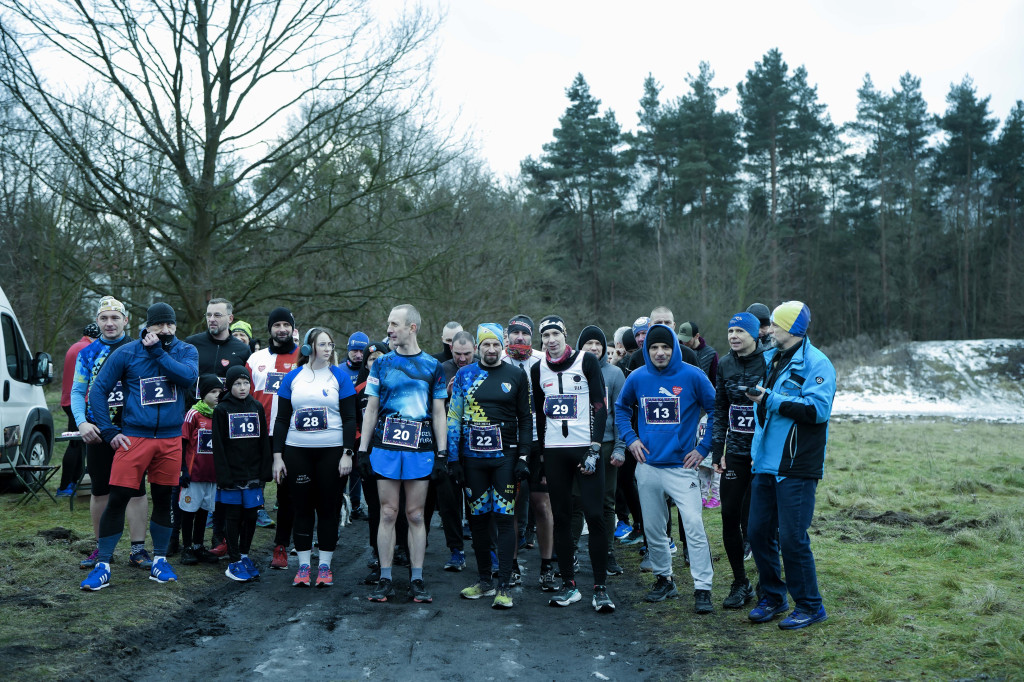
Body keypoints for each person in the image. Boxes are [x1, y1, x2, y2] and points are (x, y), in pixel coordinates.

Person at [80, 302, 199, 590]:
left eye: (170, 324)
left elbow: (187, 378)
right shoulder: (128, 352)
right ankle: (103, 565)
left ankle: (159, 560)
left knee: (162, 499)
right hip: (135, 437)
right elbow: (97, 391)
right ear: (148, 326)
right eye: (159, 325)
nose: (166, 330)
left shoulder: (186, 351)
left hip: (170, 440)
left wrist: (158, 352)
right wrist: (108, 432)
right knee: (118, 498)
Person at [614, 323, 716, 614]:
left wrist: (703, 448)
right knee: (654, 528)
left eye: (665, 347)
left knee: (694, 526)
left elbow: (716, 410)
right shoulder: (637, 377)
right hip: (648, 466)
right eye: (654, 348)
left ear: (674, 348)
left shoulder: (693, 375)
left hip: (683, 468)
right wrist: (631, 439)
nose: (659, 352)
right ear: (646, 350)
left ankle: (703, 588)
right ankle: (664, 580)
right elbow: (621, 409)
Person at [746, 301, 835, 630]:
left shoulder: (817, 363)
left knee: (792, 539)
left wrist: (770, 399)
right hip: (766, 462)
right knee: (757, 533)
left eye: (776, 325)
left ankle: (811, 606)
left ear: (791, 329)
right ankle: (773, 596)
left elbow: (817, 411)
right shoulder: (772, 358)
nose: (769, 330)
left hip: (797, 465)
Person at [359, 304, 448, 604]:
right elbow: (371, 409)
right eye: (388, 324)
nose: (389, 329)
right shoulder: (381, 365)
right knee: (387, 512)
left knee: (415, 515)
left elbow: (439, 413)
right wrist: (362, 450)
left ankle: (417, 578)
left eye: (394, 324)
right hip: (385, 446)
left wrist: (442, 453)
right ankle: (385, 579)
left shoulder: (433, 366)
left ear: (412, 327)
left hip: (420, 447)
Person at [531, 315, 614, 613]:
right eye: (546, 335)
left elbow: (600, 407)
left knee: (595, 515)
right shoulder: (538, 368)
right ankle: (569, 585)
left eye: (556, 334)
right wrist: (539, 455)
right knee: (562, 518)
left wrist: (594, 448)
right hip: (554, 451)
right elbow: (539, 416)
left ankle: (601, 588)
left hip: (585, 449)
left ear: (566, 335)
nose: (551, 340)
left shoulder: (586, 361)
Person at [447, 323, 532, 609]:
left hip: (505, 459)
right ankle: (484, 581)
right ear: (479, 348)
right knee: (478, 519)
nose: (492, 350)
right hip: (472, 460)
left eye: (496, 345)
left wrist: (523, 456)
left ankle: (504, 585)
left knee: (505, 519)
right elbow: (454, 416)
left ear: (503, 346)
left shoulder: (517, 375)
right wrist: (453, 458)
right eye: (486, 345)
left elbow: (526, 418)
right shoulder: (464, 375)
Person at [272, 328, 358, 588]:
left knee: (328, 509)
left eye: (331, 345)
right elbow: (282, 419)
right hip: (297, 450)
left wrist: (347, 453)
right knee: (302, 508)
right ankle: (303, 567)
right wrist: (277, 457)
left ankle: (324, 567)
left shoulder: (340, 377)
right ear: (309, 348)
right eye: (322, 344)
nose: (328, 349)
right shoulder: (293, 378)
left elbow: (350, 418)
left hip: (331, 451)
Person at [70, 297, 150, 570]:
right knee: (100, 490)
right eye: (104, 318)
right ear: (97, 321)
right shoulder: (88, 353)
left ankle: (138, 549)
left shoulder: (138, 349)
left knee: (136, 490)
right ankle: (101, 548)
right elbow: (79, 392)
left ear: (126, 321)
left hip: (132, 432)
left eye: (115, 318)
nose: (109, 323)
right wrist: (81, 422)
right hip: (97, 432)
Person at [183, 298, 252, 555]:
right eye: (209, 315)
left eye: (218, 315)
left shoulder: (241, 349)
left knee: (220, 482)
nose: (212, 319)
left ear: (230, 319)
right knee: (187, 480)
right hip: (194, 420)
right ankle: (181, 540)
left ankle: (219, 537)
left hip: (227, 423)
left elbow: (246, 386)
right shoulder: (192, 343)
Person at [711, 312, 767, 609]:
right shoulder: (725, 363)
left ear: (754, 335)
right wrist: (717, 447)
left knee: (760, 523)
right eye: (730, 330)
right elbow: (720, 408)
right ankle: (739, 582)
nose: (733, 336)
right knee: (729, 516)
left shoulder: (769, 361)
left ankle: (767, 582)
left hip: (763, 454)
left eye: (740, 331)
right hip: (735, 452)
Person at [501, 314, 556, 590]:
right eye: (515, 333)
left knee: (542, 504)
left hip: (538, 441)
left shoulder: (542, 360)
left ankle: (547, 566)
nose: (519, 338)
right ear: (507, 336)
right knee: (509, 505)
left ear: (531, 337)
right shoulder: (496, 359)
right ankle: (511, 566)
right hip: (508, 442)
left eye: (524, 334)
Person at [246, 307, 301, 569]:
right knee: (248, 491)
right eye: (276, 325)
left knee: (287, 495)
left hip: (291, 435)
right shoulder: (255, 358)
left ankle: (280, 546)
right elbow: (241, 395)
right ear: (269, 329)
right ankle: (238, 547)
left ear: (293, 328)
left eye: (286, 325)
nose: (281, 329)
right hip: (258, 435)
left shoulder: (304, 356)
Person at [575, 325, 626, 576]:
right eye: (588, 344)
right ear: (580, 347)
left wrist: (619, 447)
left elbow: (621, 414)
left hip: (606, 445)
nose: (594, 348)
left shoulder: (615, 374)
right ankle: (572, 551)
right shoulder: (573, 370)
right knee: (575, 501)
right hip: (577, 443)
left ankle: (608, 554)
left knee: (607, 501)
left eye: (598, 343)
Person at [215, 366, 273, 582]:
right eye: (237, 384)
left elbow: (263, 441)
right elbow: (219, 446)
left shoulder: (257, 407)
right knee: (233, 516)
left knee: (250, 516)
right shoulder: (222, 410)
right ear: (229, 386)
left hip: (253, 475)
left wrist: (264, 470)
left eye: (245, 383)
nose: (242, 388)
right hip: (231, 475)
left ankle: (245, 554)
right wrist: (223, 475)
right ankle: (234, 560)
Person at [178, 374, 224, 566]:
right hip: (193, 475)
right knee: (189, 510)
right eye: (213, 392)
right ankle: (186, 547)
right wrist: (182, 470)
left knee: (205, 511)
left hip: (212, 476)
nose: (217, 396)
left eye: (220, 392)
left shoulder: (221, 414)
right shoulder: (193, 415)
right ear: (202, 393)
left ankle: (198, 545)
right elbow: (182, 443)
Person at [56, 323, 100, 496]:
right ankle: (66, 485)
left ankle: (75, 482)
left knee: (80, 442)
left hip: (68, 399)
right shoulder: (89, 349)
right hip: (81, 401)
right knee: (76, 443)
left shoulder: (75, 346)